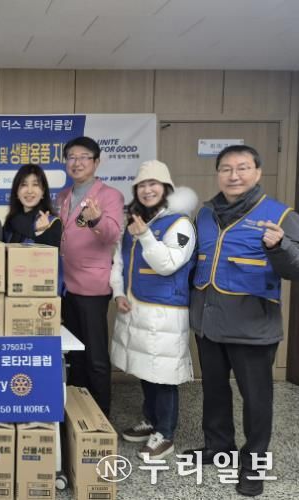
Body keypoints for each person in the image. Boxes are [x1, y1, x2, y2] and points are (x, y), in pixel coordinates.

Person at [184, 144, 299, 497]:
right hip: (208, 321)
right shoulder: (205, 214)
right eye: (226, 169)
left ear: (257, 172)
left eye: (243, 168)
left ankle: (254, 465)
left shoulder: (280, 215)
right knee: (214, 390)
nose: (234, 175)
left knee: (257, 400)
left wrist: (279, 247)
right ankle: (219, 447)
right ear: (218, 174)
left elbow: (295, 268)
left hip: (252, 326)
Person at [109, 160, 197, 460]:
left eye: (153, 184)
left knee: (164, 375)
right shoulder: (134, 221)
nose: (147, 190)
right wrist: (118, 293)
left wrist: (146, 236)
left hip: (164, 313)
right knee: (145, 369)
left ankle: (166, 434)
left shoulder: (179, 223)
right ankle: (151, 420)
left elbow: (168, 264)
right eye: (142, 186)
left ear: (166, 188)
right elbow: (119, 261)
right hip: (135, 308)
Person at [57, 136, 124, 417]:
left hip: (92, 287)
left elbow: (112, 235)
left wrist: (96, 219)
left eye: (84, 157)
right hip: (66, 286)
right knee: (75, 354)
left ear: (96, 162)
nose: (77, 162)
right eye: (71, 157)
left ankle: (100, 416)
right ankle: (78, 412)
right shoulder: (63, 196)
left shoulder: (110, 195)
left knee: (95, 355)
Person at [3, 164, 62, 248]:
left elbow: (52, 255)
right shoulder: (10, 222)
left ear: (43, 192)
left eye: (35, 184)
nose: (29, 191)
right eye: (24, 184)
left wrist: (41, 233)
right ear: (16, 192)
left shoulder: (52, 223)